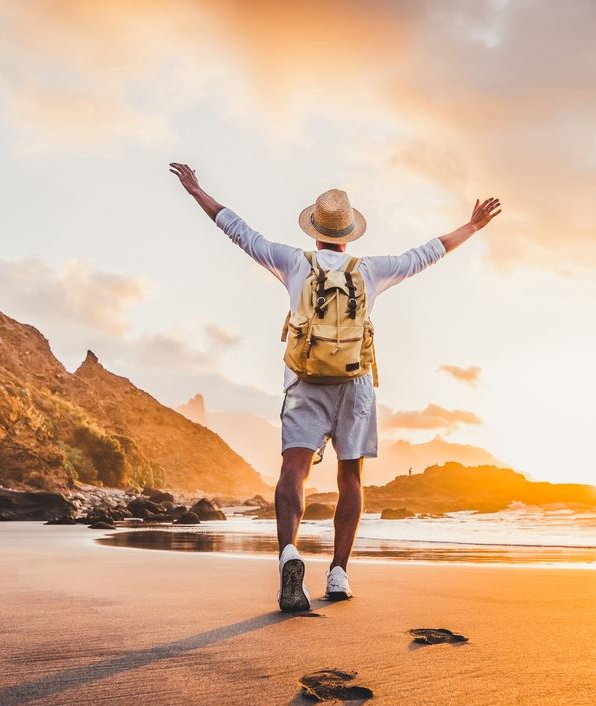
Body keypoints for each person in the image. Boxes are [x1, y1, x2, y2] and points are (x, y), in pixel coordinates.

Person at [169, 162, 501, 611]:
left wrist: (197, 191)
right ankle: (339, 572)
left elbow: (240, 232)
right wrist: (472, 225)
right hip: (355, 384)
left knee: (294, 471)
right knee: (351, 476)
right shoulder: (370, 270)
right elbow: (427, 253)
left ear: (315, 230)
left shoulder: (292, 263)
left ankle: (290, 554)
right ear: (349, 233)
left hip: (305, 381)